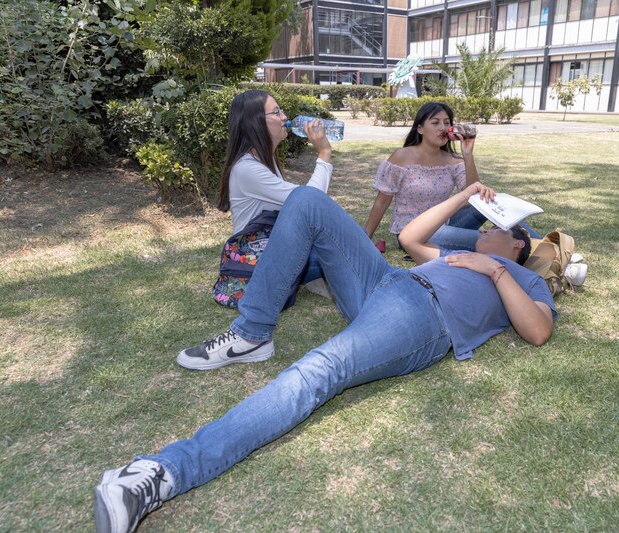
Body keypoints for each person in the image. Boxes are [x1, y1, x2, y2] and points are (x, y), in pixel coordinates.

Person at [93, 183, 556, 533]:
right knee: (307, 201)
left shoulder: (521, 279)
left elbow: (537, 331)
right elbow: (411, 237)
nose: (486, 230)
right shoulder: (454, 253)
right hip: (386, 281)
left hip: (422, 316)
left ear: (518, 244)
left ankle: (160, 473)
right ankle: (253, 332)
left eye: (496, 229)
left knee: (320, 370)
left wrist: (494, 269)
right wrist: (467, 194)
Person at [363, 102, 540, 253]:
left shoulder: (452, 160)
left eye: (446, 123)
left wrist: (468, 155)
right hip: (413, 232)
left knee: (491, 200)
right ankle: (542, 250)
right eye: (435, 122)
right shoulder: (401, 157)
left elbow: (473, 194)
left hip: (447, 224)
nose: (443, 127)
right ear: (420, 128)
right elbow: (381, 202)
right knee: (491, 240)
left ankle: (547, 244)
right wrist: (365, 238)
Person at [214, 89, 333, 312]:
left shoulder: (263, 160)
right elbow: (310, 200)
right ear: (255, 122)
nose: (285, 117)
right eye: (276, 112)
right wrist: (324, 153)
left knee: (334, 242)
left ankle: (321, 278)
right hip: (261, 262)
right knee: (337, 249)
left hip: (272, 253)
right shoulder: (247, 169)